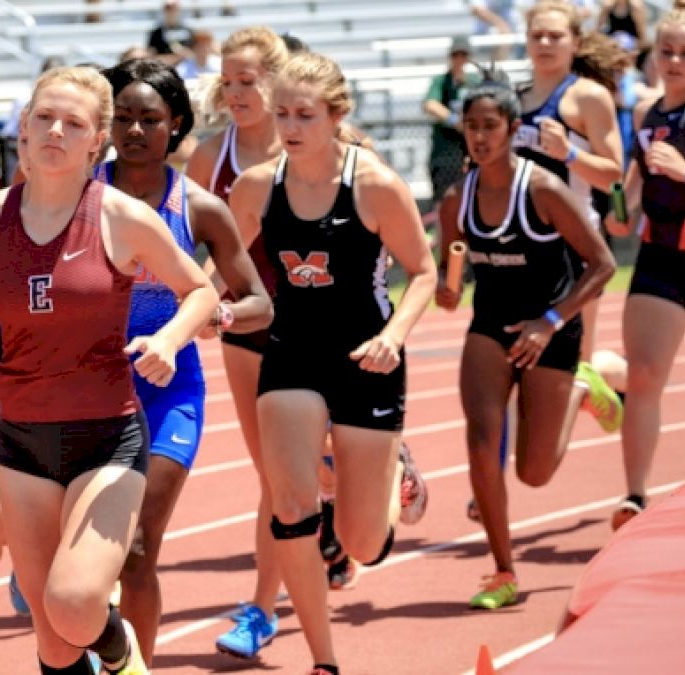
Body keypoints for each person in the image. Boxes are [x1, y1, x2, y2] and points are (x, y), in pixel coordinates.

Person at [0, 65, 218, 675]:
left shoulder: (120, 216)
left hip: (107, 437)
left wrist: (167, 338)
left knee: (74, 604)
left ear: (96, 140)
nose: (56, 130)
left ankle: (122, 653)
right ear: (23, 131)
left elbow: (201, 293)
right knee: (52, 640)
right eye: (44, 118)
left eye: (73, 123)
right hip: (23, 442)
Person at [229, 51, 436, 674]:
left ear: (336, 115)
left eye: (306, 115)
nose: (291, 127)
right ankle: (324, 661)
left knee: (362, 543)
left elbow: (423, 271)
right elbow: (222, 266)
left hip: (365, 358)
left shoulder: (372, 183)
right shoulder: (257, 186)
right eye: (283, 113)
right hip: (290, 353)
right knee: (291, 505)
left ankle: (393, 466)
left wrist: (394, 336)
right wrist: (210, 304)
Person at [97, 58, 272, 667]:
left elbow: (259, 303)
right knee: (86, 553)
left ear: (176, 124)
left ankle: (134, 667)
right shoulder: (76, 193)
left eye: (150, 119)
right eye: (123, 118)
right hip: (85, 387)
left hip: (169, 389)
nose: (135, 131)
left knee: (139, 547)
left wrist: (212, 316)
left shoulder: (198, 207)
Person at [437, 79, 615, 609]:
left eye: (492, 126)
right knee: (480, 441)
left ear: (515, 131)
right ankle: (503, 571)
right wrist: (449, 287)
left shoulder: (542, 190)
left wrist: (551, 321)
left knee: (534, 473)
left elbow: (603, 264)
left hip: (551, 325)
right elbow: (452, 261)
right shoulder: (456, 198)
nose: (480, 136)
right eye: (472, 126)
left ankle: (583, 386)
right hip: (491, 326)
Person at [185, 26, 290, 659]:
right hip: (246, 325)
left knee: (309, 471)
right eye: (229, 81)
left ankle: (367, 466)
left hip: (320, 327)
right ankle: (262, 608)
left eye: (249, 80)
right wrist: (187, 303)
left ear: (277, 80)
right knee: (272, 474)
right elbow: (188, 250)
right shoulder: (208, 158)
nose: (238, 92)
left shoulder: (323, 144)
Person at [604, 6, 685, 531]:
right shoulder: (646, 111)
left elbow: (678, 169)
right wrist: (622, 209)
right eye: (666, 51)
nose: (674, 61)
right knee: (645, 376)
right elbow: (638, 177)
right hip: (659, 256)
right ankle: (635, 496)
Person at [514, 0, 625, 417]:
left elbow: (614, 174)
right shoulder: (515, 98)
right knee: (526, 364)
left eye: (555, 36)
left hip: (574, 248)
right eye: (537, 35)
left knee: (570, 367)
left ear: (575, 43)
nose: (544, 43)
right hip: (524, 247)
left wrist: (569, 155)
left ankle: (627, 379)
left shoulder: (589, 98)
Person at [424, 37, 483, 215]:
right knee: (444, 204)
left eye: (463, 54)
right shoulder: (441, 81)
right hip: (446, 152)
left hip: (472, 151)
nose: (459, 59)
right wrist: (454, 121)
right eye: (455, 54)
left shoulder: (474, 81)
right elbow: (430, 105)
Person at [146, 0, 194, 65]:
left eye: (174, 7)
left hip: (187, 69)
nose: (171, 11)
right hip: (166, 69)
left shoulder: (188, 30)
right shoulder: (156, 33)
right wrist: (175, 58)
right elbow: (151, 57)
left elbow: (195, 52)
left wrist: (187, 54)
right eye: (168, 8)